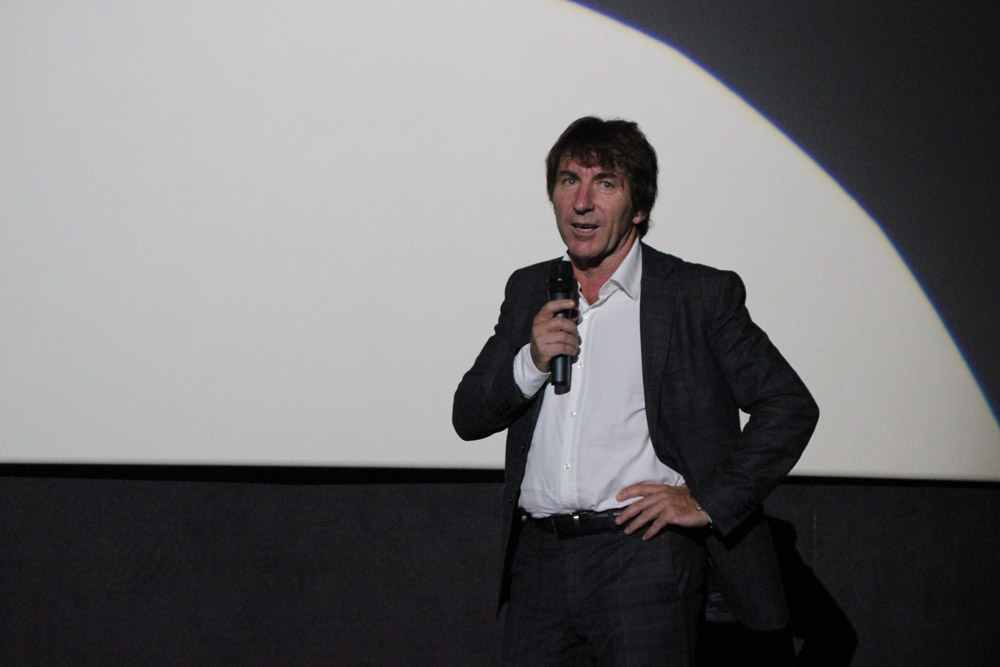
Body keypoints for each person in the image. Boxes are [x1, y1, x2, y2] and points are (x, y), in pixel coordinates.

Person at [452, 116, 818, 666]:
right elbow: (468, 414)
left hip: (641, 562)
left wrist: (705, 501)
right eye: (569, 181)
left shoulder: (694, 294)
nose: (582, 203)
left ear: (639, 206)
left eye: (605, 183)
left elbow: (788, 406)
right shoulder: (530, 288)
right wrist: (531, 361)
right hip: (539, 564)